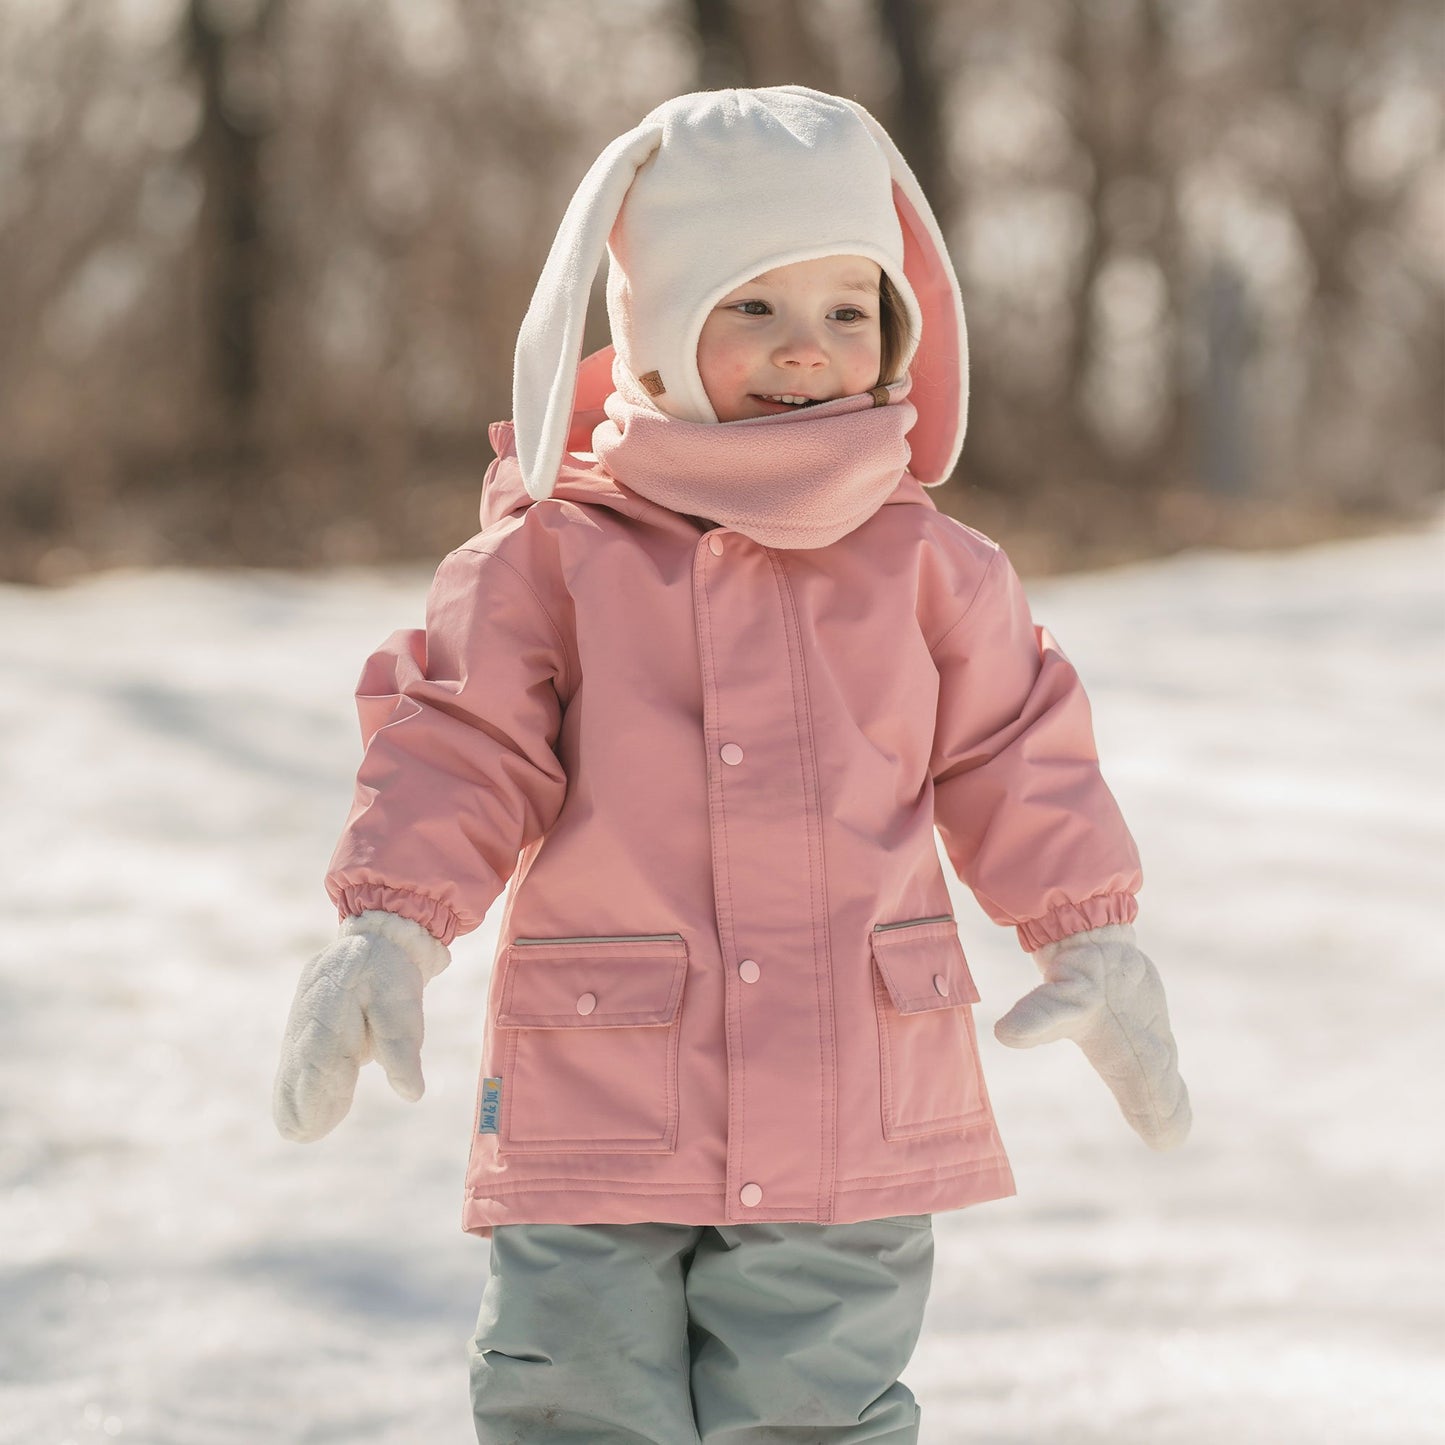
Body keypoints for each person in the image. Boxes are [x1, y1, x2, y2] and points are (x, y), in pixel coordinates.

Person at [272, 85, 1191, 1444]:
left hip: (849, 1107)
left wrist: (1091, 937)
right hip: (603, 1093)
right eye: (752, 306)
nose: (806, 349)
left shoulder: (932, 571)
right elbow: (463, 742)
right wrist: (389, 927)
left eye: (845, 308)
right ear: (651, 330)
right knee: (570, 1401)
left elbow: (1014, 753)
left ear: (897, 332)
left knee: (816, 1411)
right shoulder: (555, 559)